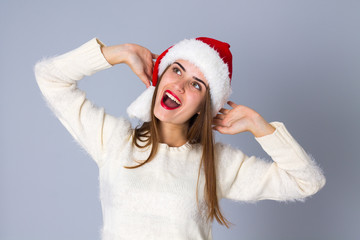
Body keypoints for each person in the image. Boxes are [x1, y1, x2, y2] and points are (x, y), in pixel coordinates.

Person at [34, 37, 326, 240]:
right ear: (159, 77)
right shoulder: (114, 141)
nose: (180, 84)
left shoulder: (217, 164)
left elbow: (306, 181)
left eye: (196, 84)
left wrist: (260, 126)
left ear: (205, 106)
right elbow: (49, 77)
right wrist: (119, 52)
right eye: (176, 69)